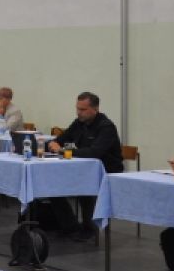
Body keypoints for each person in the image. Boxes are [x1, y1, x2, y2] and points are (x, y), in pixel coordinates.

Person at [46, 92, 123, 241]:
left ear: (95, 109)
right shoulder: (78, 123)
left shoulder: (106, 127)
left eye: (83, 109)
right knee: (51, 184)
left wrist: (63, 151)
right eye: (77, 108)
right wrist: (53, 143)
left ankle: (89, 229)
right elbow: (61, 139)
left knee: (84, 187)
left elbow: (94, 152)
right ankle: (70, 226)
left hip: (106, 171)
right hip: (82, 169)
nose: (79, 112)